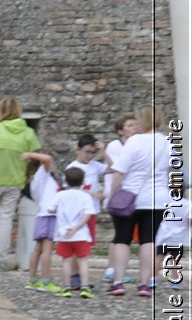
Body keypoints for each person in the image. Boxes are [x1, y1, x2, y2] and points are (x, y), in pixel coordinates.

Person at [107, 106, 175, 297]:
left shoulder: (134, 141)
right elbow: (172, 170)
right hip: (158, 198)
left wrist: (112, 195)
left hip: (131, 196)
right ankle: (144, 284)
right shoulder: (167, 142)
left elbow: (120, 171)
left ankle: (118, 281)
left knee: (123, 239)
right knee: (149, 240)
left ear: (142, 120)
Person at [0, 97, 41, 270]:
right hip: (16, 180)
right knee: (6, 218)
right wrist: (28, 174)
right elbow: (36, 156)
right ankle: (0, 256)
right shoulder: (28, 133)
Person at [52, 166, 99, 298]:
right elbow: (89, 213)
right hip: (81, 234)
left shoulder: (59, 195)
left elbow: (51, 209)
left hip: (64, 234)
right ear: (83, 181)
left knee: (66, 261)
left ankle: (66, 287)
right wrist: (76, 227)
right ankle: (85, 287)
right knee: (83, 261)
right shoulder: (85, 196)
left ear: (65, 181)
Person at [22, 149, 60, 291]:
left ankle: (32, 279)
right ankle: (45, 280)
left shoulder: (35, 178)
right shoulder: (42, 173)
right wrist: (30, 154)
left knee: (38, 249)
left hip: (41, 214)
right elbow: (48, 159)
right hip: (49, 214)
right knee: (47, 249)